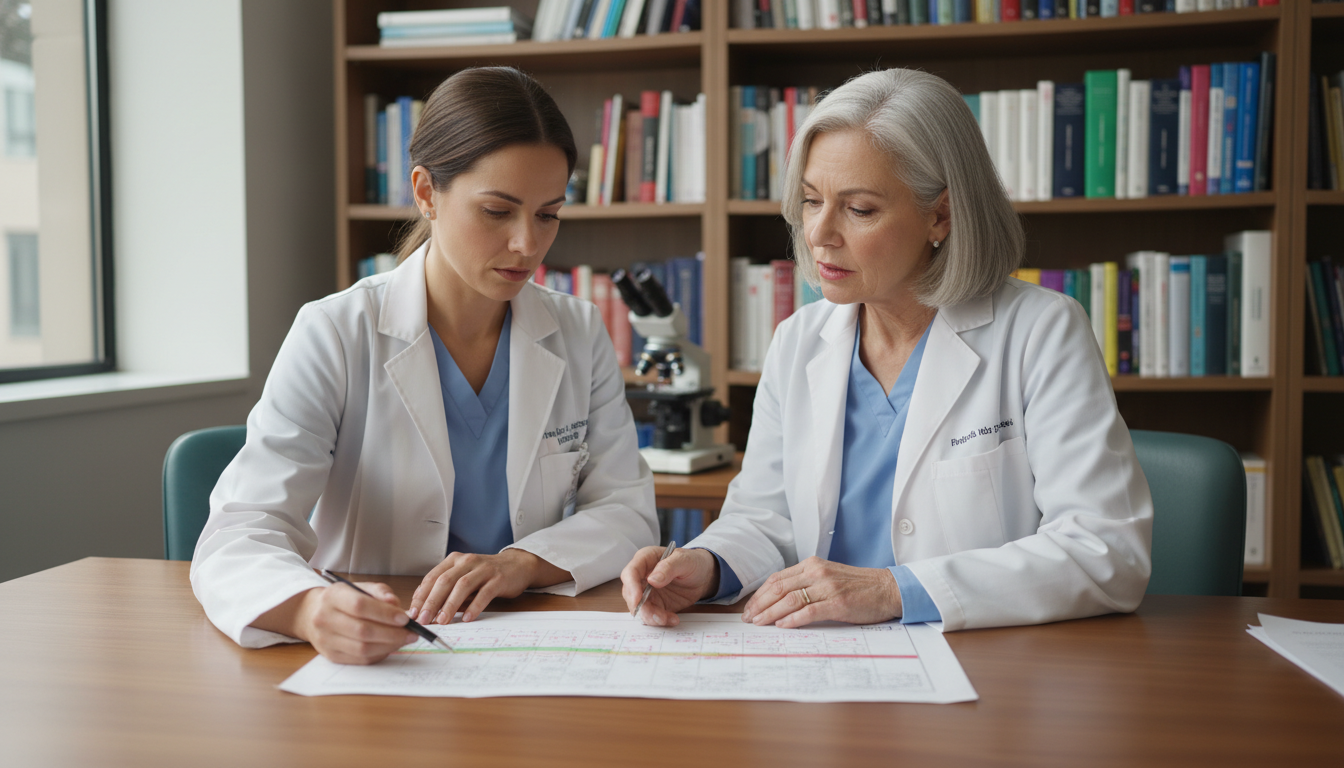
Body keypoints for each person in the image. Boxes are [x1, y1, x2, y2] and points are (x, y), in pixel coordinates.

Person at [621, 68, 1152, 632]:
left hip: (982, 668)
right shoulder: (798, 341)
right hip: (819, 665)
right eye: (810, 200)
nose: (819, 233)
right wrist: (707, 566)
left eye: (860, 209)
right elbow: (766, 516)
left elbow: (1106, 552)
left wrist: (891, 590)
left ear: (940, 215)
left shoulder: (1041, 333)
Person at [192, 67, 657, 664]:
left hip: (519, 643)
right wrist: (309, 608)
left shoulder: (578, 331)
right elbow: (240, 529)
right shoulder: (337, 331)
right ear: (425, 192)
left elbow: (627, 509)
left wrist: (520, 565)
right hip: (384, 640)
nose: (528, 245)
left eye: (548, 214)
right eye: (497, 211)